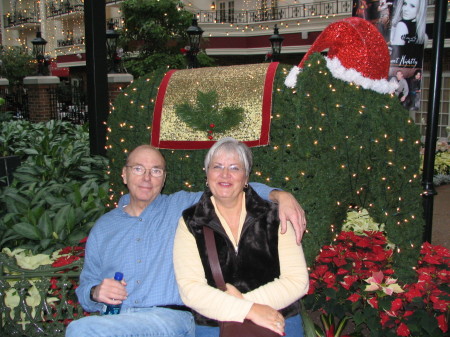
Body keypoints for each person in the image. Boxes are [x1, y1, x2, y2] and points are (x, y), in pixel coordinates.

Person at [66, 144, 307, 337]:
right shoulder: (103, 227)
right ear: (124, 174)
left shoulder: (180, 207)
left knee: (81, 330)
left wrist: (280, 195)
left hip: (168, 318)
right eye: (138, 168)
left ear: (164, 178)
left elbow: (229, 187)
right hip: (117, 320)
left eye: (156, 170)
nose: (147, 178)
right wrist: (96, 291)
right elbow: (86, 284)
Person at [173, 138, 309, 337]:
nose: (225, 174)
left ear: (246, 177)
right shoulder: (191, 221)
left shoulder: (275, 215)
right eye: (217, 166)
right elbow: (191, 289)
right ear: (207, 174)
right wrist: (249, 310)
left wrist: (246, 305)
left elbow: (297, 280)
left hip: (277, 318)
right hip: (215, 324)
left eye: (234, 168)